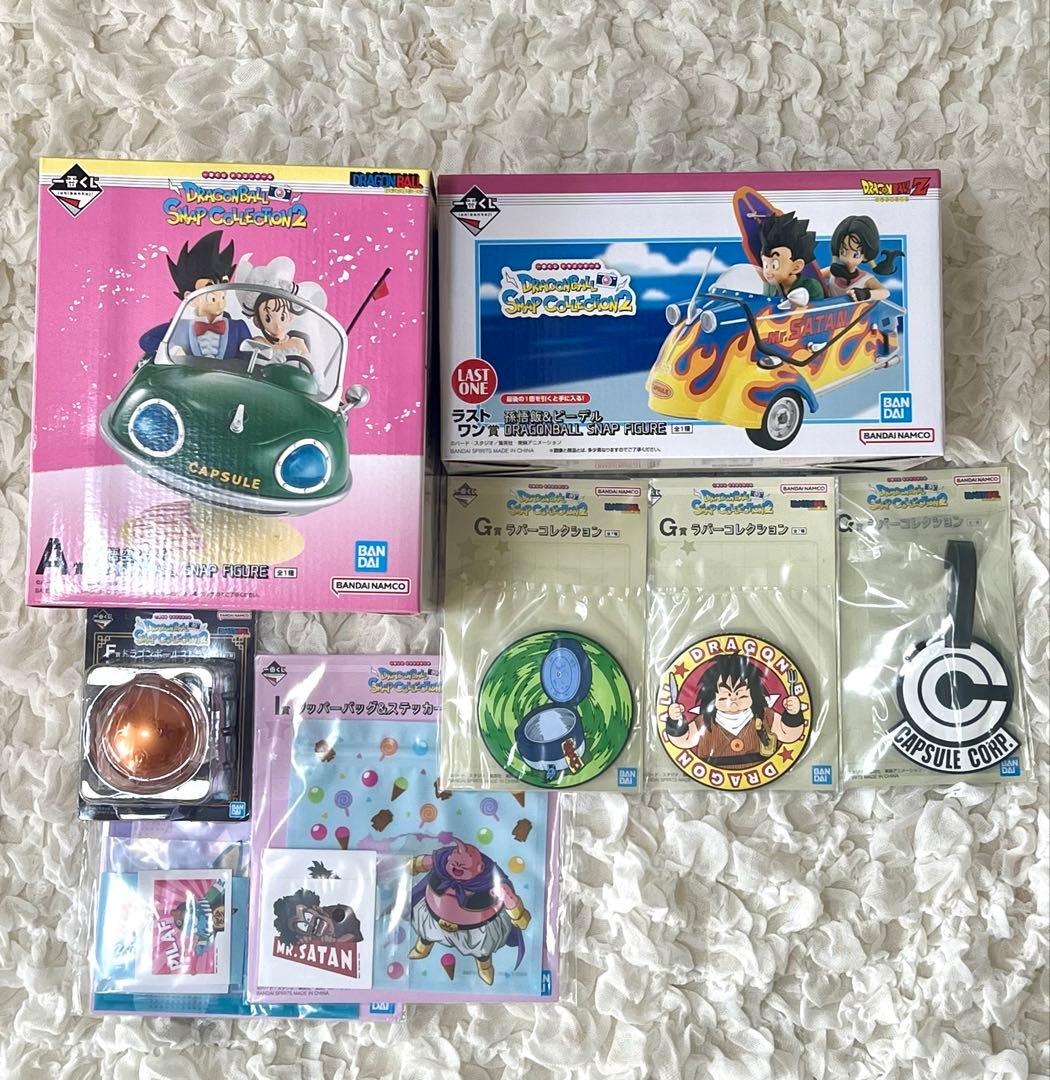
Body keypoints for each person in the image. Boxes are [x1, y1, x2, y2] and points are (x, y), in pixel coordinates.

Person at [663, 653, 804, 767]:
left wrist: (793, 714)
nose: (733, 701)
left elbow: (788, 734)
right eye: (725, 697)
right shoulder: (704, 722)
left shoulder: (766, 716)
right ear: (712, 697)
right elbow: (683, 740)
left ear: (754, 695)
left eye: (742, 695)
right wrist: (675, 720)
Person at [139, 230, 251, 359]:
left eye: (223, 288)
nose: (219, 295)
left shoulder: (238, 327)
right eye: (210, 289)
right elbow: (146, 340)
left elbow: (250, 355)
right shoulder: (178, 327)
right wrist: (172, 349)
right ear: (190, 297)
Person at [823, 215, 902, 301]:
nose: (848, 260)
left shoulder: (864, 279)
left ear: (865, 256)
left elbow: (885, 292)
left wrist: (865, 294)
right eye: (843, 251)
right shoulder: (831, 271)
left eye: (856, 254)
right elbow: (815, 274)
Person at [758, 211, 826, 308]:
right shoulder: (769, 286)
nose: (768, 271)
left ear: (796, 267)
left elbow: (816, 312)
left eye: (774, 265)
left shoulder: (811, 286)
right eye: (765, 265)